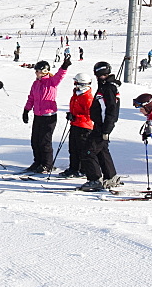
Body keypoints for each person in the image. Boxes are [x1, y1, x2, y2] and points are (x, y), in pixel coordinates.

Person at [22, 55, 72, 173]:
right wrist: (26, 110)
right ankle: (38, 161)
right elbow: (31, 98)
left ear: (44, 71)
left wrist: (64, 66)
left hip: (49, 116)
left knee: (45, 142)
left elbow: (60, 75)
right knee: (35, 140)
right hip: (38, 116)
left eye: (37, 71)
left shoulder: (52, 81)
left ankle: (47, 164)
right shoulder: (36, 84)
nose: (36, 73)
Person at [77, 61, 122, 191]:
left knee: (88, 151)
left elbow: (111, 110)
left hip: (103, 126)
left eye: (97, 74)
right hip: (99, 124)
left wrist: (106, 129)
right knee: (102, 150)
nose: (96, 77)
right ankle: (111, 176)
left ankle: (94, 179)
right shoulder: (104, 85)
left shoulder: (108, 88)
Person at [59, 73, 93, 178]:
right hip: (75, 125)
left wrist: (76, 117)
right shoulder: (77, 94)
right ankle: (73, 168)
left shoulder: (88, 97)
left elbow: (89, 115)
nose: (75, 84)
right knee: (73, 148)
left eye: (76, 82)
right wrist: (71, 115)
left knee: (81, 149)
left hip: (84, 127)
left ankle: (83, 169)